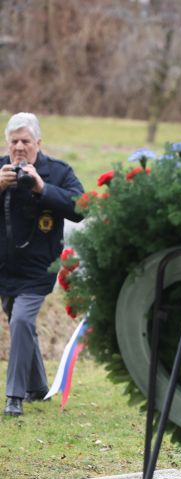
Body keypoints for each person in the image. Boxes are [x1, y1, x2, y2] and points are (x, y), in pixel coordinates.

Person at [1, 113, 84, 417]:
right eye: (14, 141)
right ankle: (37, 387)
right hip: (5, 268)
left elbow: (81, 207)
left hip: (39, 269)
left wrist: (42, 188)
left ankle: (15, 396)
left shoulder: (57, 172)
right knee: (20, 322)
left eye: (25, 140)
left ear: (38, 142)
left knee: (21, 321)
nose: (19, 147)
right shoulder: (1, 169)